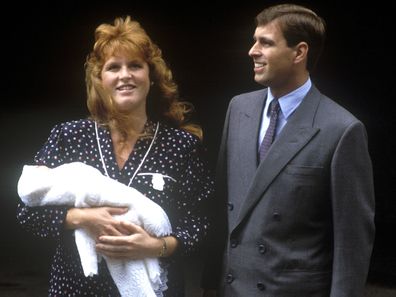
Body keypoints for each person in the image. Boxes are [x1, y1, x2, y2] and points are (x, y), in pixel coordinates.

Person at [16, 15, 214, 297]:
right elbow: (26, 212)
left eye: (135, 65)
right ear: (101, 81)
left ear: (151, 77)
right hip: (75, 289)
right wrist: (81, 218)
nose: (125, 75)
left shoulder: (181, 146)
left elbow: (201, 223)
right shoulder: (68, 136)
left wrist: (155, 246)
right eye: (113, 67)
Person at [201, 3, 375, 297]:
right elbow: (221, 208)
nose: (252, 51)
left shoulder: (342, 129)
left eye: (265, 43)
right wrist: (208, 286)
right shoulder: (238, 108)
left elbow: (352, 242)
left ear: (299, 52)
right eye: (254, 41)